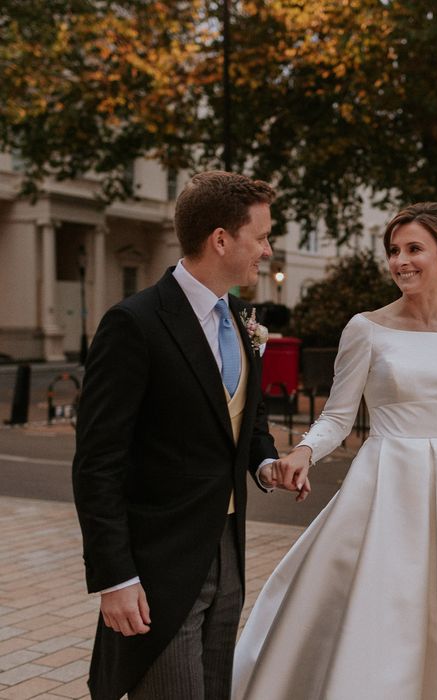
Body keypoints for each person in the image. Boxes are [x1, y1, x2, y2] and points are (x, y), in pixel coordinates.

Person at [232, 202, 437, 699]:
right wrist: (303, 453)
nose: (401, 260)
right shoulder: (366, 328)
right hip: (384, 486)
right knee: (381, 611)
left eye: (414, 249)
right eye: (394, 250)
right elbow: (337, 415)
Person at [72, 171, 301, 700]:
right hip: (159, 563)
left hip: (226, 550)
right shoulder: (135, 323)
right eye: (261, 236)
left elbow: (248, 418)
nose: (267, 250)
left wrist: (265, 463)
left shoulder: (243, 318)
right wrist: (115, 579)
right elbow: (97, 463)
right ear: (221, 239)